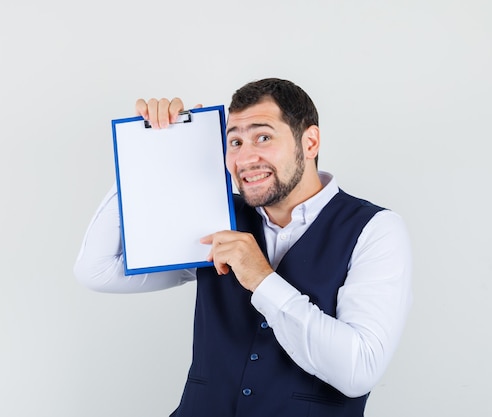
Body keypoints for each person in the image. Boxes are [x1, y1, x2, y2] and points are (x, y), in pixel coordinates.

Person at [74, 78, 412, 417]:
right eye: (234, 141)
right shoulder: (214, 215)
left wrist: (263, 279)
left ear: (309, 142)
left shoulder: (375, 229)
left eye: (262, 137)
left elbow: (359, 371)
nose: (245, 158)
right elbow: (98, 269)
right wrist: (148, 153)